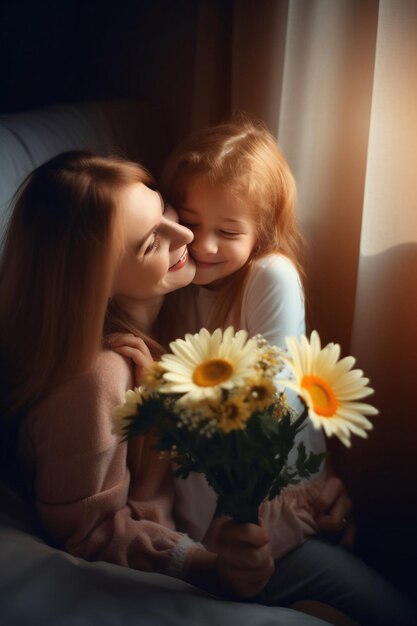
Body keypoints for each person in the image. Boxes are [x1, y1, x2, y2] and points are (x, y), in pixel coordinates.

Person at [156, 120, 416, 625]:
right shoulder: (179, 285)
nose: (205, 245)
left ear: (262, 231)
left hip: (270, 507)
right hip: (213, 525)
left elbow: (280, 399)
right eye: (192, 223)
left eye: (228, 231)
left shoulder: (267, 275)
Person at [0, 150, 286, 607]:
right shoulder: (93, 381)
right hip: (199, 565)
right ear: (95, 282)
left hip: (244, 536)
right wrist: (210, 569)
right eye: (151, 243)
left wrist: (311, 496)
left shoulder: (184, 305)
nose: (187, 234)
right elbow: (92, 534)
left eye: (162, 206)